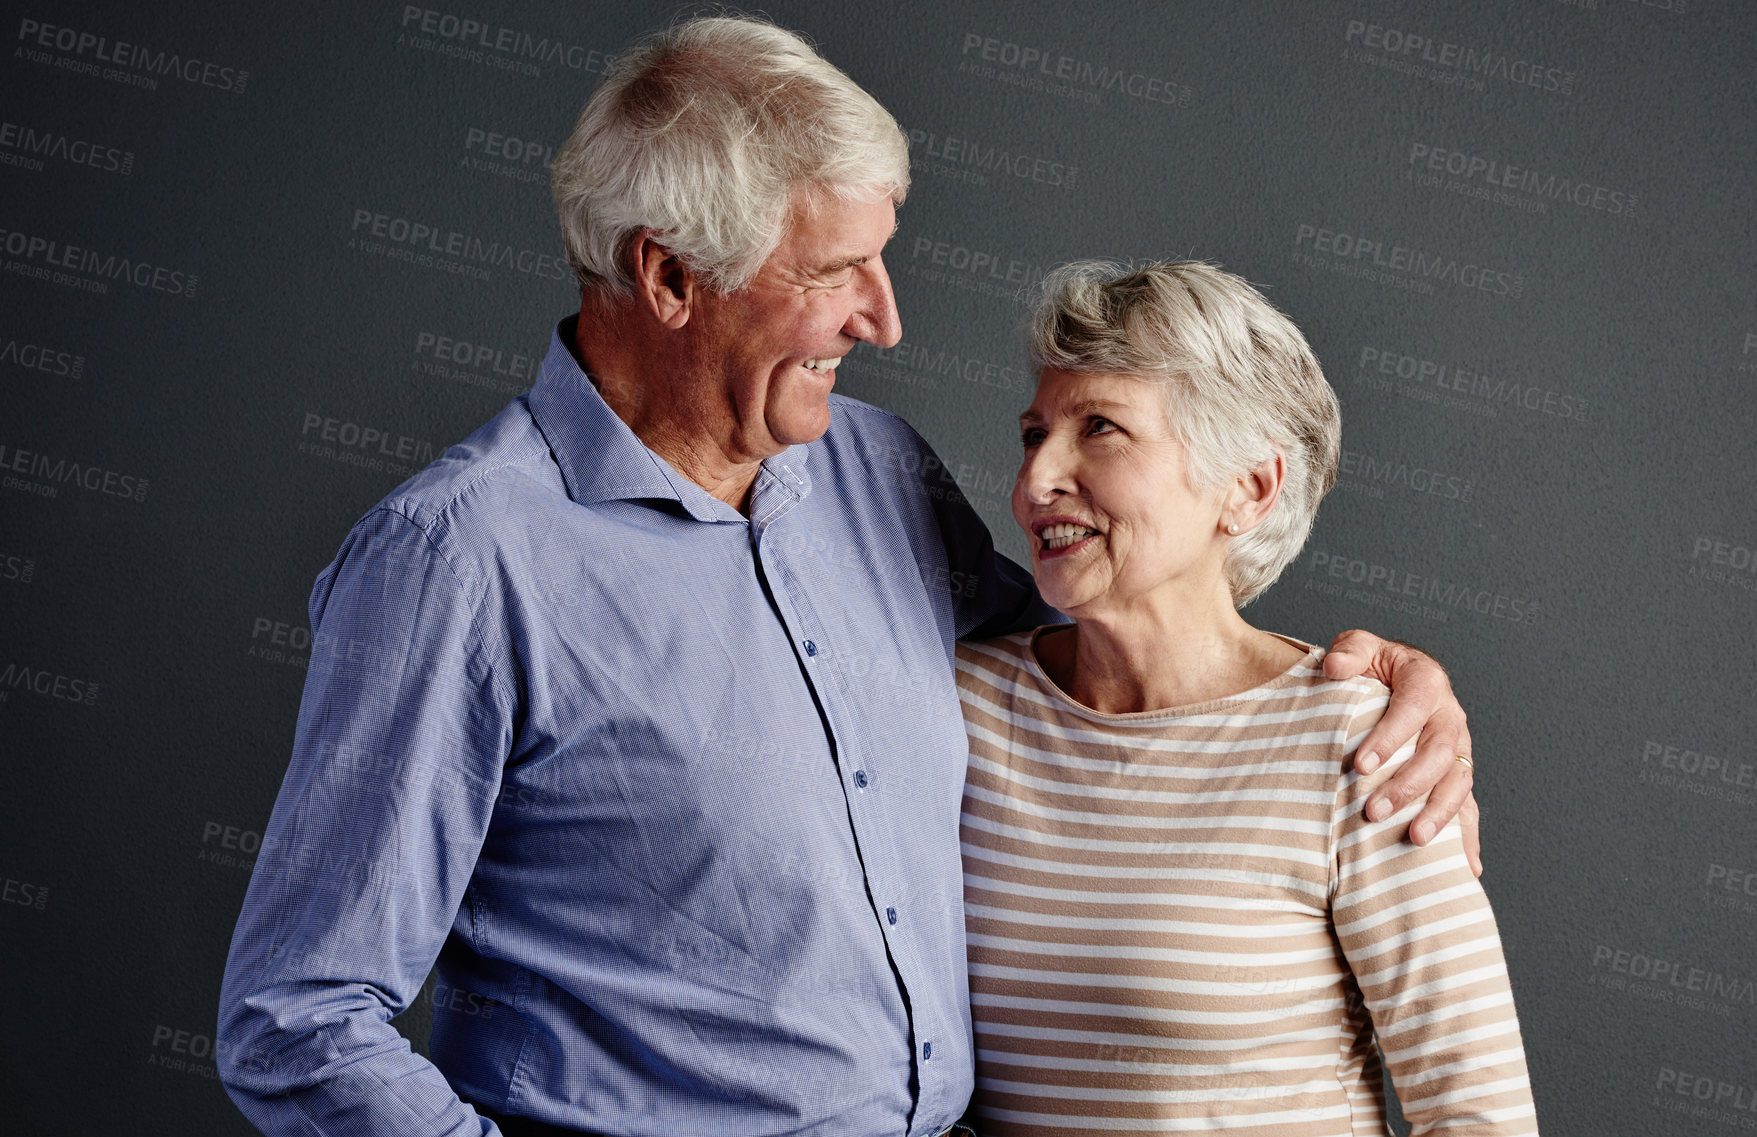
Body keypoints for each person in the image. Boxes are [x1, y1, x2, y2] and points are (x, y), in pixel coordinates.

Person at [217, 17, 1481, 1137]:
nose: (882, 319)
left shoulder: (871, 469)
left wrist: (1383, 685)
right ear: (665, 275)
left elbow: (1118, 657)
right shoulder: (457, 561)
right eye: (833, 273)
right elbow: (298, 1017)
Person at [956, 260, 1535, 1135]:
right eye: (1033, 434)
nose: (1036, 481)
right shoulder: (957, 703)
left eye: (1099, 428)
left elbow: (1476, 1111)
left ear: (1249, 488)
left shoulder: (1358, 742)